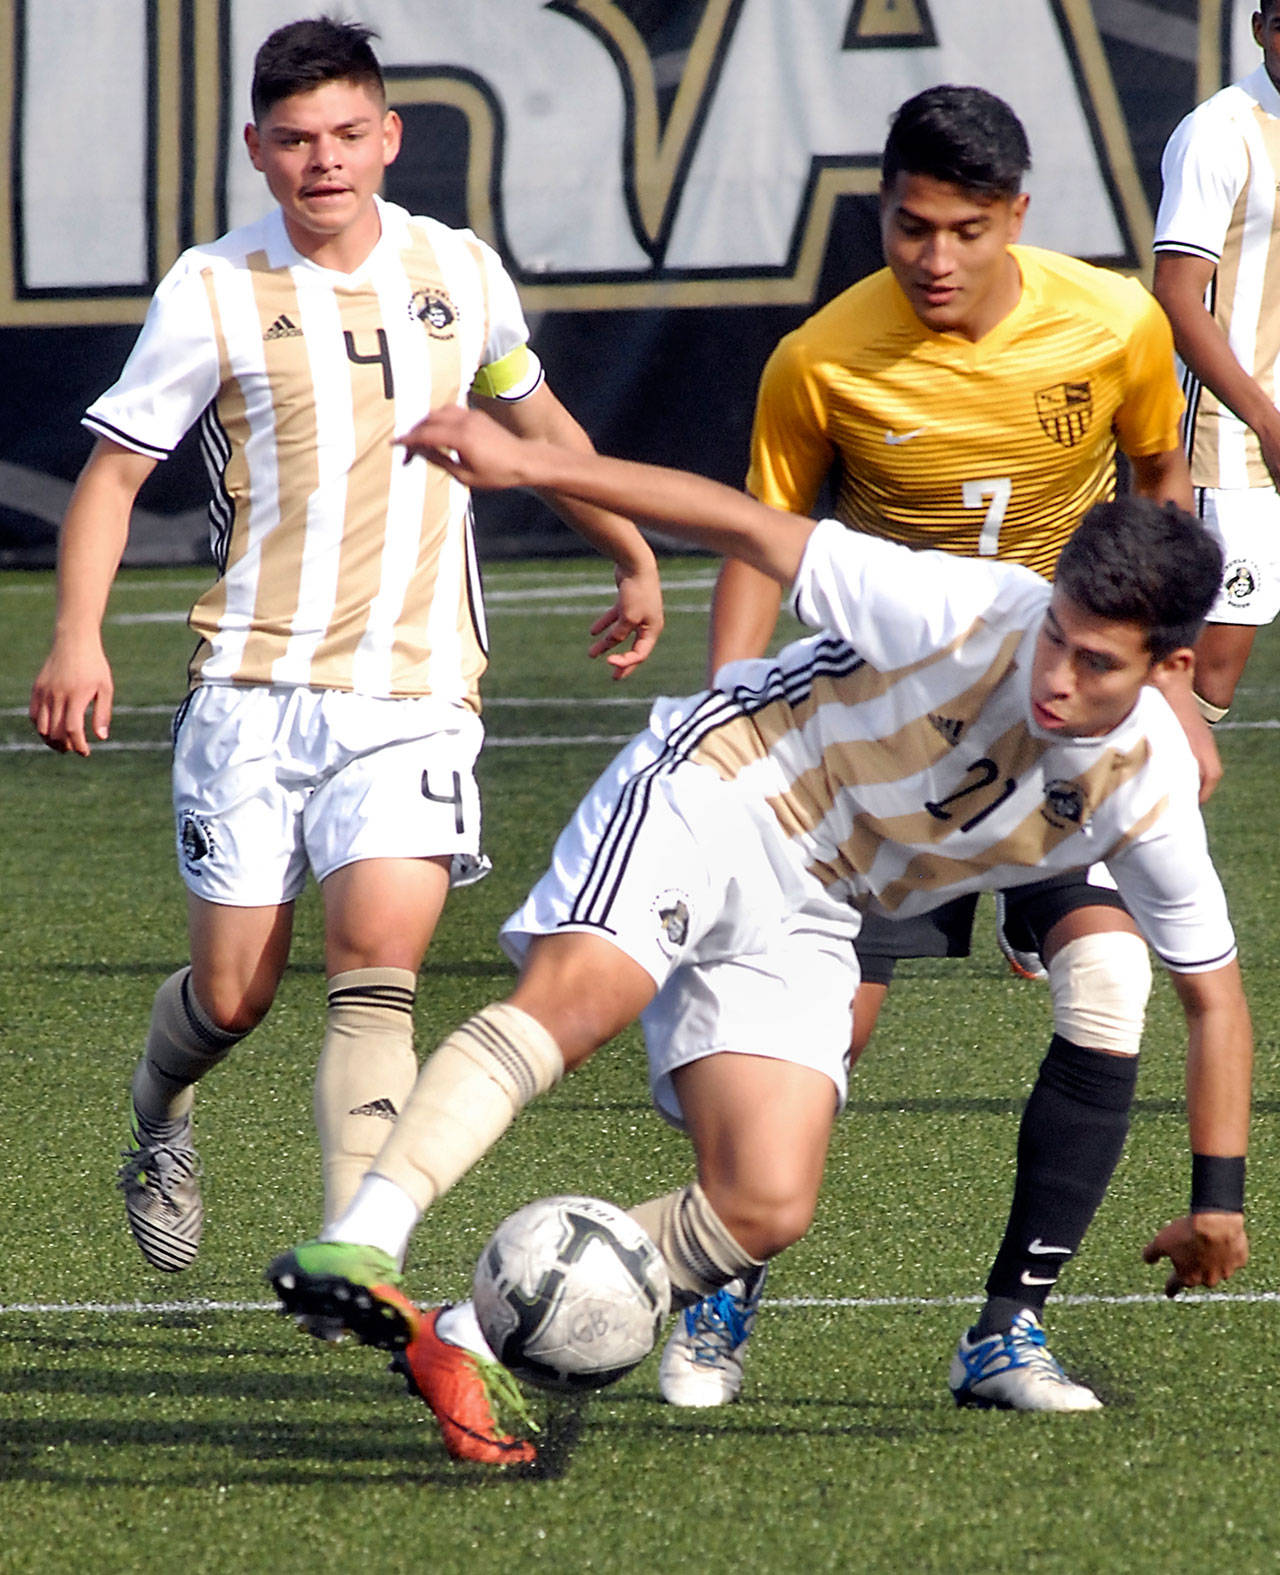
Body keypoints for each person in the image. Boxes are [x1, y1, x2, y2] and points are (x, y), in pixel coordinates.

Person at [268, 402, 1251, 1468]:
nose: (1055, 676)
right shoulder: (968, 610)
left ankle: (467, 1337)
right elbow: (746, 527)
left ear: (1168, 670)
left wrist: (1217, 1201)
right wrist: (528, 460)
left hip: (820, 900)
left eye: (1095, 663)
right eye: (1055, 636)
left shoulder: (1146, 792)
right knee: (579, 1001)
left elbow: (1214, 999)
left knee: (764, 1202)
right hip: (724, 779)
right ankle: (366, 1236)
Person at [27, 19, 661, 1286]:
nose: (324, 162)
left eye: (346, 136)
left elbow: (533, 421)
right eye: (296, 141)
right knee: (232, 999)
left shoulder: (457, 269)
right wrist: (77, 638)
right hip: (252, 691)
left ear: (389, 137)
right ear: (258, 152)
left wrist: (630, 547)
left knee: (378, 974)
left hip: (416, 690)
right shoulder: (211, 287)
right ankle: (160, 1114)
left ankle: (355, 1260)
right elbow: (111, 476)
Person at [666, 84, 1214, 1414]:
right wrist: (723, 709)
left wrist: (1178, 676)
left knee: (1109, 984)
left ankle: (1006, 1331)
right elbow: (762, 536)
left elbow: (1163, 481)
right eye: (912, 226)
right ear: (883, 213)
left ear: (1017, 215)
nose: (937, 257)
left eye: (967, 228)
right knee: (815, 1033)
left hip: (1058, 725)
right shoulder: (820, 358)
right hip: (879, 752)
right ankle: (724, 1274)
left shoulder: (1116, 324)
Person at [1152, 0, 1280, 722]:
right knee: (1204, 679)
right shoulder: (1219, 132)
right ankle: (1114, 826)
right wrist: (1265, 420)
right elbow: (1174, 295)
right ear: (1260, 26)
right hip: (1233, 442)